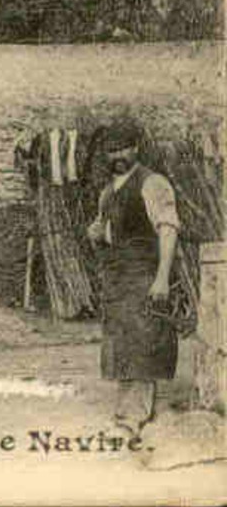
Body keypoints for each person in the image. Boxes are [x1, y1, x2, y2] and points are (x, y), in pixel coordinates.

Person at [84, 121, 180, 437]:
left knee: (143, 339)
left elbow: (167, 230)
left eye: (123, 148)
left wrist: (162, 279)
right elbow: (107, 231)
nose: (118, 156)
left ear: (135, 149)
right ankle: (128, 409)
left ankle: (135, 415)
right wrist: (97, 234)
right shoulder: (107, 193)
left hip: (144, 275)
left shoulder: (153, 184)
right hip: (118, 279)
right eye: (111, 151)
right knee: (122, 342)